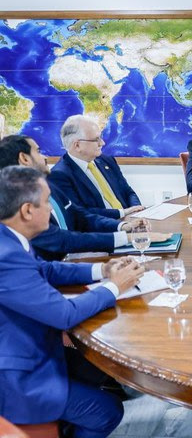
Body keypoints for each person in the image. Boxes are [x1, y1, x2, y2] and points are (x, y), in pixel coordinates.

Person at [0, 165, 146, 438]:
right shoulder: (5, 256)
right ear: (27, 211)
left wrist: (102, 271)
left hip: (35, 347)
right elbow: (64, 315)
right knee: (107, 411)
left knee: (99, 367)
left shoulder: (9, 237)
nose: (51, 210)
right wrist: (116, 286)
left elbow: (46, 270)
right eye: (46, 202)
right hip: (17, 378)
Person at [0, 135, 169, 260]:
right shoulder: (15, 203)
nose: (45, 157)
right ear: (24, 158)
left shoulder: (49, 184)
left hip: (76, 257)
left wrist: (123, 226)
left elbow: (81, 216)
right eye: (38, 151)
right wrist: (126, 239)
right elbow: (62, 240)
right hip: (61, 267)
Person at [49, 115, 144, 219]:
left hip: (131, 221)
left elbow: (128, 192)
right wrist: (122, 213)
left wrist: (136, 211)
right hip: (103, 230)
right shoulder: (59, 175)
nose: (102, 143)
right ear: (77, 145)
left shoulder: (106, 161)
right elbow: (80, 213)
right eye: (96, 139)